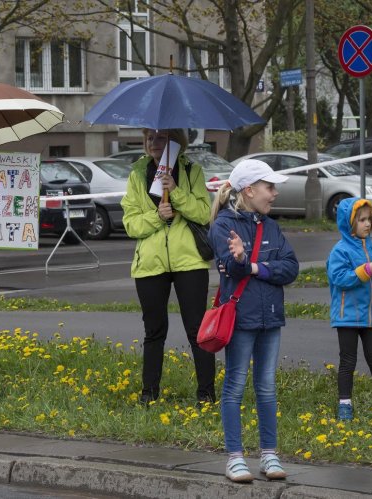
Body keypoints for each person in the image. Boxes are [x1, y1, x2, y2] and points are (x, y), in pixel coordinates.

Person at [207, 159, 299, 483]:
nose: (274, 193)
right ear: (249, 190)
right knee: (234, 387)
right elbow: (230, 269)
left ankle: (269, 454)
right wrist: (240, 261)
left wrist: (255, 266)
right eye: (269, 187)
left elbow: (291, 267)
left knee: (267, 386)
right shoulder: (222, 226)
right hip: (241, 318)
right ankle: (235, 457)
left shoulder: (271, 227)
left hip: (270, 318)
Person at [121, 128, 216, 406]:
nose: (153, 143)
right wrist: (157, 216)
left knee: (197, 330)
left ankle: (206, 394)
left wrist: (176, 192)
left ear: (175, 142)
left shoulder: (190, 170)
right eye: (149, 138)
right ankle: (149, 394)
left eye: (160, 138)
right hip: (150, 264)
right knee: (154, 331)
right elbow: (131, 224)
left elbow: (202, 214)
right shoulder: (137, 174)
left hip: (189, 261)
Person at [327, 197, 372, 421]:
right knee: (348, 361)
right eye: (361, 220)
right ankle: (344, 404)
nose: (367, 224)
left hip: (371, 316)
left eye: (369, 219)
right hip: (347, 317)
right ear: (349, 223)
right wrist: (366, 269)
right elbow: (340, 279)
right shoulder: (340, 251)